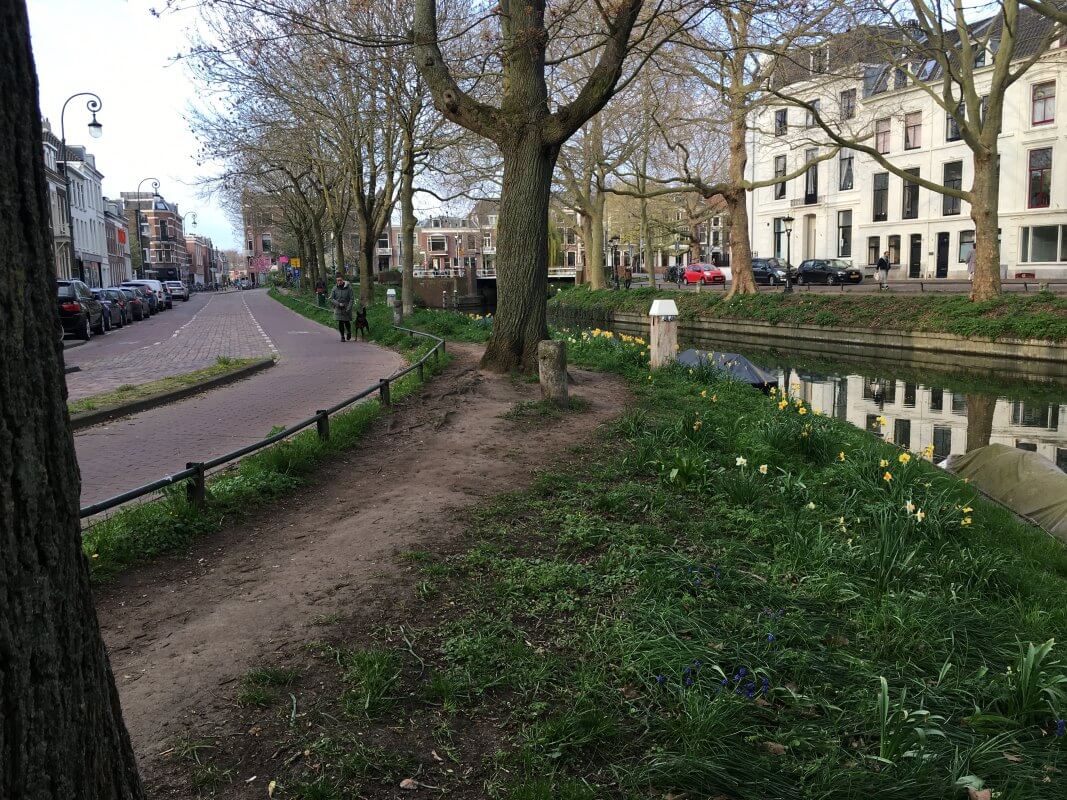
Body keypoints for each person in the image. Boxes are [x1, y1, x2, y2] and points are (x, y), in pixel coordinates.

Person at [330, 275, 354, 341]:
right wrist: (338, 304)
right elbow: (331, 298)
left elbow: (352, 299)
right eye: (338, 280)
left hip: (346, 307)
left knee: (346, 321)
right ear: (336, 281)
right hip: (338, 307)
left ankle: (349, 332)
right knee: (340, 322)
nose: (339, 282)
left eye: (340, 280)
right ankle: (342, 336)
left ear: (343, 280)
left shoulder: (349, 288)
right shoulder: (334, 288)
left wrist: (349, 308)